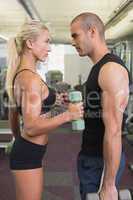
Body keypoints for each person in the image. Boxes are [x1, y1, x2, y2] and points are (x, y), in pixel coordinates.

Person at [6, 20, 84, 200]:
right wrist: (68, 115)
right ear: (30, 43)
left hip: (29, 150)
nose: (49, 48)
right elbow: (31, 127)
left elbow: (14, 112)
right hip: (28, 153)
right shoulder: (30, 78)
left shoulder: (23, 74)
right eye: (47, 41)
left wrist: (53, 101)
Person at [70, 12, 130, 200]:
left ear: (92, 31)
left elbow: (113, 130)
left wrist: (109, 184)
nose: (73, 42)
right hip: (91, 156)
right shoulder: (99, 68)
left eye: (75, 35)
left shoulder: (110, 69)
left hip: (100, 161)